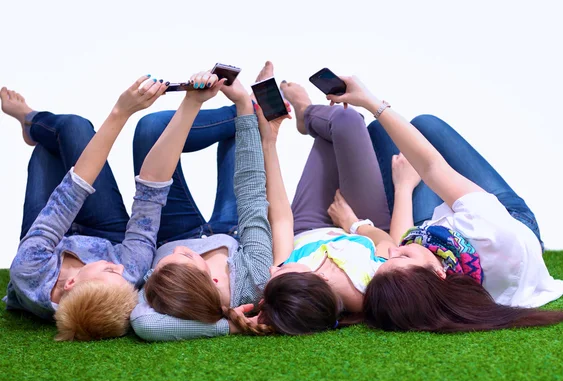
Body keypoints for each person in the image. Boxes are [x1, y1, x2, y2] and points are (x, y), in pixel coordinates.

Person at [324, 75, 563, 333]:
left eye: (389, 259)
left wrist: (403, 187)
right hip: (510, 220)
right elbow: (432, 166)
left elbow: (403, 241)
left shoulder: (429, 286)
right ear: (438, 272)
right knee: (425, 125)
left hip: (440, 237)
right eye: (404, 256)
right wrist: (371, 102)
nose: (391, 251)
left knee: (381, 132)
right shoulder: (493, 233)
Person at [0, 76, 176, 341]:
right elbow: (148, 203)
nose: (119, 269)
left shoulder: (29, 271)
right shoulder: (127, 273)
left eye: (108, 270)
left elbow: (69, 194)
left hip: (47, 243)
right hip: (105, 235)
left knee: (57, 141)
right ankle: (34, 125)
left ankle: (30, 120)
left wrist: (121, 111)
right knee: (72, 130)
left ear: (70, 283)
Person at [129, 64, 279, 341]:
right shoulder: (254, 283)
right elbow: (251, 194)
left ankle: (248, 110)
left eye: (160, 266)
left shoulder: (159, 294)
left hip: (172, 229)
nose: (181, 250)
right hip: (230, 230)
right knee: (243, 134)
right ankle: (253, 108)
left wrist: (224, 326)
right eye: (185, 257)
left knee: (150, 128)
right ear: (213, 280)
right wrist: (243, 104)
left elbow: (145, 324)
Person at [257, 68, 398, 335]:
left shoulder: (286, 278)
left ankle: (306, 117)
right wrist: (354, 224)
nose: (273, 271)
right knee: (347, 119)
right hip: (361, 219)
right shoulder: (365, 286)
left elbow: (282, 219)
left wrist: (270, 142)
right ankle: (306, 110)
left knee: (334, 130)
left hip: (307, 224)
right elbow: (387, 243)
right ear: (320, 277)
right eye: (280, 274)